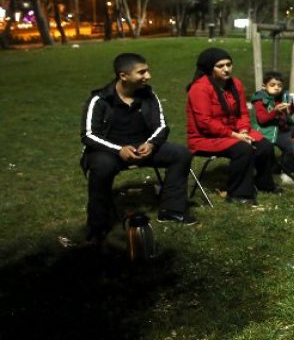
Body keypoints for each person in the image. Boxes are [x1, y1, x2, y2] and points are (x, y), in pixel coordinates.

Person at [81, 53, 197, 245]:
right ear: (123, 75)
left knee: (180, 154)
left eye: (147, 71)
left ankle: (172, 210)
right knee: (101, 166)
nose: (148, 76)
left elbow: (162, 126)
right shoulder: (100, 100)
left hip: (144, 147)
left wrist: (151, 144)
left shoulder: (149, 95)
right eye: (142, 72)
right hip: (108, 152)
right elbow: (88, 135)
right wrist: (118, 149)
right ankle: (98, 225)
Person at [186, 47, 280, 206]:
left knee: (264, 145)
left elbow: (243, 112)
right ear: (210, 68)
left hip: (234, 132)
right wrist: (235, 135)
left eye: (229, 64)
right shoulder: (199, 88)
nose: (226, 69)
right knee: (243, 149)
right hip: (206, 137)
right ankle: (238, 194)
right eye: (220, 66)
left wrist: (243, 129)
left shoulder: (236, 84)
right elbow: (205, 123)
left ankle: (264, 184)